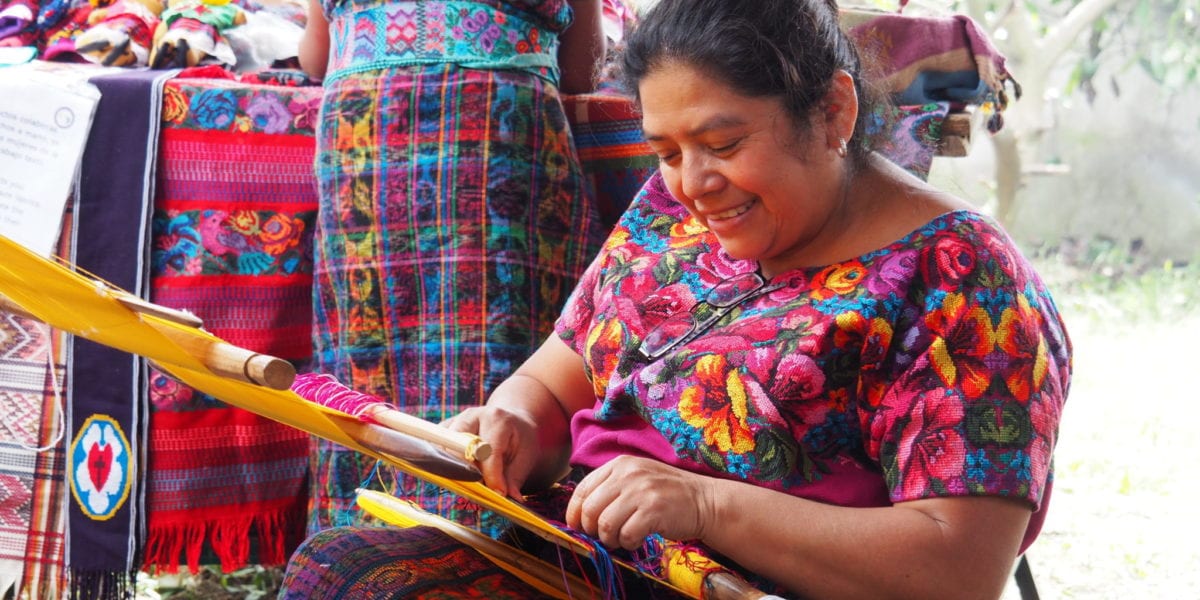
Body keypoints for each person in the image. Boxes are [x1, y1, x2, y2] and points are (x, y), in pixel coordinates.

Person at [281, 0, 1072, 597]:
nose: (693, 184)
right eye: (667, 152)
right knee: (346, 568)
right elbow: (559, 378)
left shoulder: (962, 280)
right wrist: (514, 423)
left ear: (833, 110)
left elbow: (958, 569)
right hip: (595, 565)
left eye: (723, 145)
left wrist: (704, 507)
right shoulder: (673, 213)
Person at [295, 0, 609, 536]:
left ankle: (361, 539)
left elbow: (315, 56)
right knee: (509, 355)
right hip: (499, 123)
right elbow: (585, 66)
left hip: (366, 130)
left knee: (366, 359)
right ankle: (500, 541)